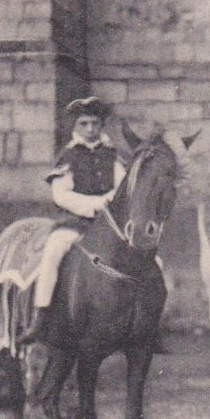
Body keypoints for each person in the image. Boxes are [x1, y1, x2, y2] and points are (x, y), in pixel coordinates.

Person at [18, 96, 127, 345]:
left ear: (102, 126)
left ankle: (145, 321)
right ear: (75, 126)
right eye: (84, 124)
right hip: (76, 222)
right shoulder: (69, 156)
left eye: (95, 124)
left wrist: (112, 200)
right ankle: (41, 315)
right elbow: (61, 194)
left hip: (110, 225)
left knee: (148, 257)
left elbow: (122, 188)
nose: (90, 129)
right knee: (54, 250)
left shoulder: (113, 155)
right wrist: (95, 205)